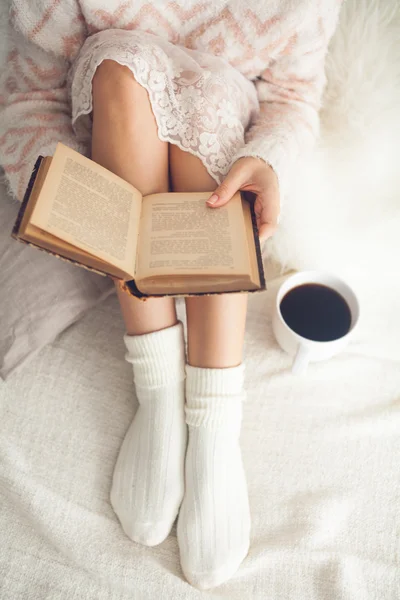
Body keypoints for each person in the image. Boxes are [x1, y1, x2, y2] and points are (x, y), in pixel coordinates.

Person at [0, 0, 342, 589]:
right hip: (108, 143)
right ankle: (158, 387)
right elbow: (28, 99)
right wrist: (57, 188)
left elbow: (292, 100)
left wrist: (267, 161)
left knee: (209, 97)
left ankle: (213, 414)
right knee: (122, 63)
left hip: (220, 161)